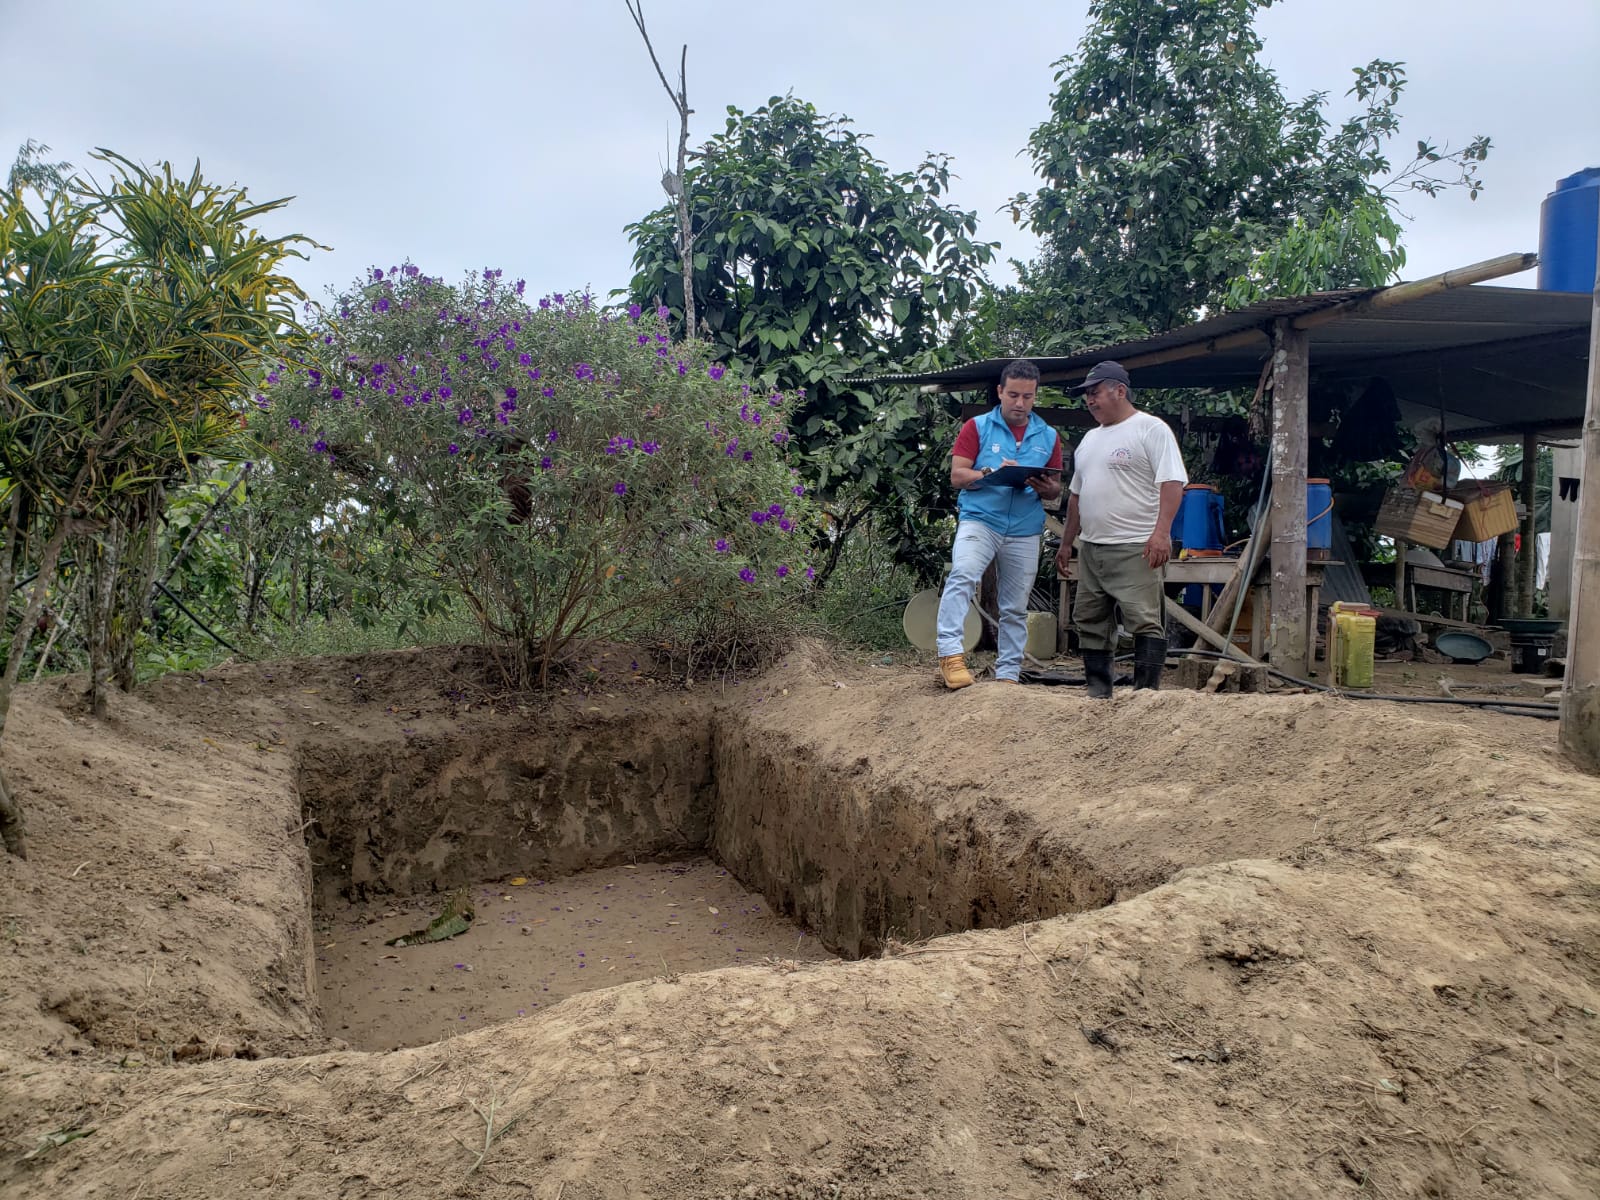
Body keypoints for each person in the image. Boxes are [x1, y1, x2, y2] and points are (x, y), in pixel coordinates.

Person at [1053, 361, 1186, 697]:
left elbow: (1172, 482)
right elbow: (1076, 497)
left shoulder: (1150, 429)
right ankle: (1099, 693)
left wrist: (1161, 533)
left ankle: (1145, 695)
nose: (1090, 400)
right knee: (1090, 620)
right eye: (1086, 395)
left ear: (1120, 390)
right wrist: (1067, 543)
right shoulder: (1089, 439)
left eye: (1095, 392)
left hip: (1136, 545)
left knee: (1143, 618)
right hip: (1092, 547)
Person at [935, 359, 1064, 689]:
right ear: (1000, 392)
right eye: (1013, 395)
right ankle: (950, 655)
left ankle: (1008, 673)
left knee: (1016, 605)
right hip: (981, 518)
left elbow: (1055, 489)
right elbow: (957, 476)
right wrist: (990, 473)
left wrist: (1048, 488)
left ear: (1035, 396)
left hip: (1025, 526)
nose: (1020, 403)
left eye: (1028, 396)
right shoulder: (977, 427)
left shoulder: (1048, 436)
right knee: (963, 574)